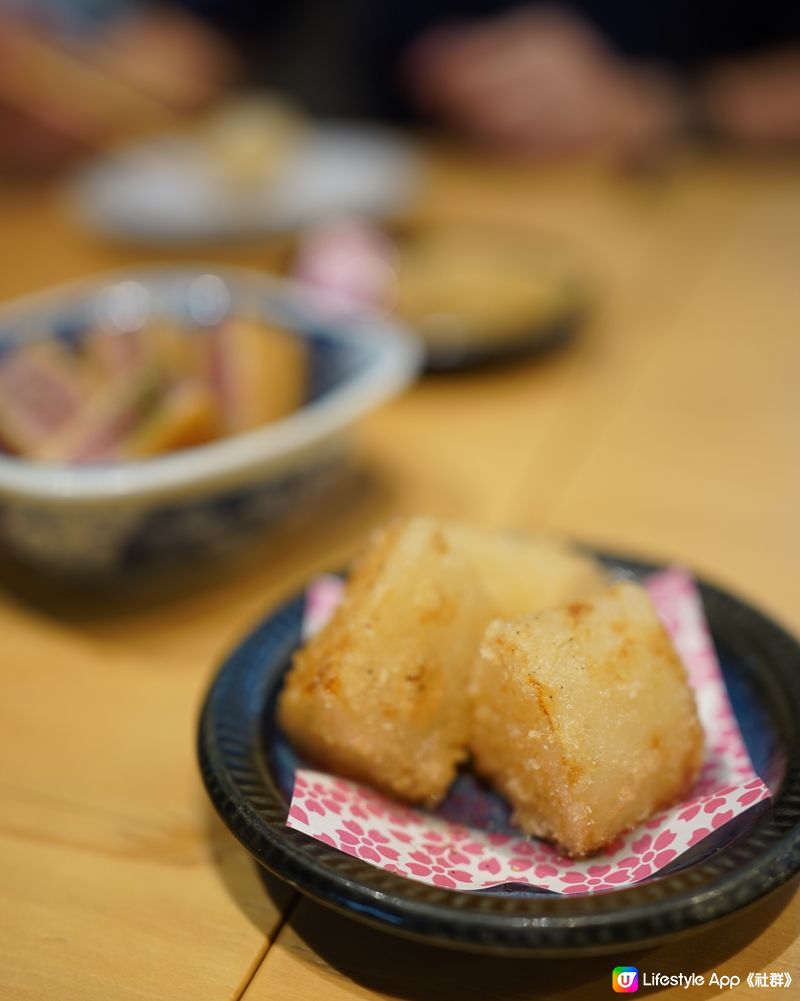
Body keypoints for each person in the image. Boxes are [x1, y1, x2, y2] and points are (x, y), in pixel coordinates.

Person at [1, 0, 799, 170]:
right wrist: (52, 84)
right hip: (408, 249)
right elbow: (180, 56)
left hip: (700, 201)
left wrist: (669, 104)